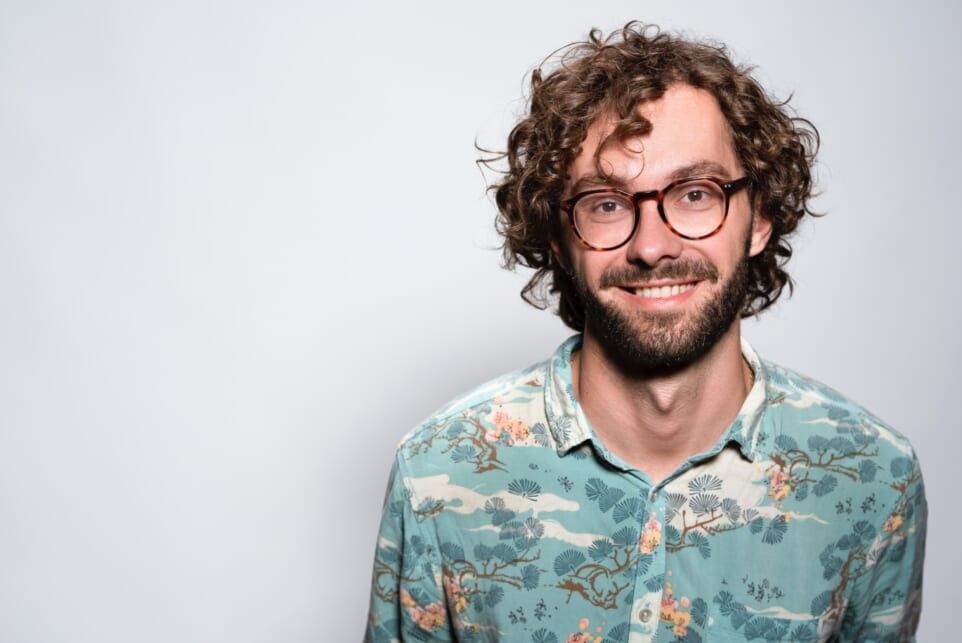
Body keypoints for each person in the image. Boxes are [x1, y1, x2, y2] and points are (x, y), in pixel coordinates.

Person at [364, 22, 926, 643]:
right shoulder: (440, 473)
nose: (652, 246)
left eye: (694, 193)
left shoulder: (872, 478)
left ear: (760, 216)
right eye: (606, 203)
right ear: (558, 239)